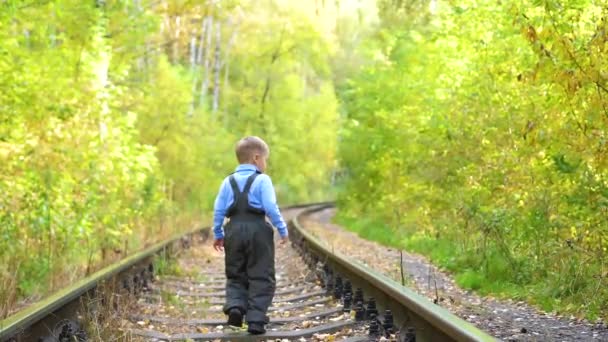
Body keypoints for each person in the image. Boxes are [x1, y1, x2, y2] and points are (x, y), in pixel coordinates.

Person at [212, 136, 288, 335]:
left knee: (236, 273)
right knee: (261, 274)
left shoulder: (227, 181)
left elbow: (218, 210)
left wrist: (218, 233)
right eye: (265, 159)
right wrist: (282, 229)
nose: (266, 164)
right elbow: (271, 207)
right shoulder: (263, 179)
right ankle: (256, 320)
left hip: (233, 229)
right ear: (256, 158)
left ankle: (236, 308)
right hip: (258, 230)